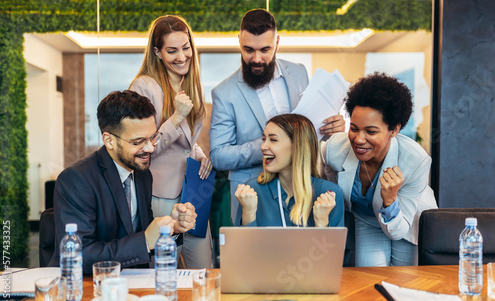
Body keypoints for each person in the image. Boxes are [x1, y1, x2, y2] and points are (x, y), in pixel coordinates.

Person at [210, 8, 345, 224]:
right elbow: (218, 155)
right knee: (253, 252)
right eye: (248, 50)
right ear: (238, 42)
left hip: (301, 184)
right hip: (253, 191)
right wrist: (271, 144)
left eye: (265, 49)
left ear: (278, 43)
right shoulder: (224, 93)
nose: (256, 58)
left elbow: (306, 128)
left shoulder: (299, 72)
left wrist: (331, 128)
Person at [49, 90, 197, 274]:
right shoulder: (76, 180)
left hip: (131, 283)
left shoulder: (142, 174)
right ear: (109, 140)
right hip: (84, 287)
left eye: (152, 137)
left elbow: (144, 235)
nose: (150, 148)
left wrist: (171, 229)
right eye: (138, 142)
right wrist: (144, 241)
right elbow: (79, 255)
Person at [322, 73, 437, 266]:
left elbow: (398, 230)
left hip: (406, 222)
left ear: (394, 130)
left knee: (403, 281)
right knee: (369, 278)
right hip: (366, 219)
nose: (358, 139)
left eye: (371, 131)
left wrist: (390, 200)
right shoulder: (335, 150)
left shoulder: (414, 161)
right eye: (354, 128)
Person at [130, 15, 212, 269]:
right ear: (157, 52)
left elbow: (187, 142)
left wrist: (198, 153)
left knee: (203, 269)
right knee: (163, 276)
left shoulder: (191, 85)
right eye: (171, 50)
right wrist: (176, 117)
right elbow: (141, 147)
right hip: (160, 196)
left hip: (192, 193)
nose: (181, 56)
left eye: (186, 48)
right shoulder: (143, 86)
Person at [235, 114, 344, 227]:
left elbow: (333, 245)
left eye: (273, 140)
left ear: (297, 146)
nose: (263, 146)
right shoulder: (252, 191)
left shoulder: (329, 194)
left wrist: (322, 223)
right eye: (264, 139)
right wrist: (248, 214)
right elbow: (241, 245)